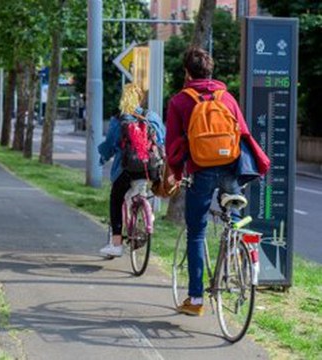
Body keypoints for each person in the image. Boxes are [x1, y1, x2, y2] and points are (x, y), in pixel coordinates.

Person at [165, 47, 269, 316]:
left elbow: (173, 145)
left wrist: (175, 173)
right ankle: (237, 250)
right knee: (232, 213)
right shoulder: (227, 98)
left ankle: (196, 300)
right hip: (230, 168)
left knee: (196, 232)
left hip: (200, 170)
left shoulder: (180, 101)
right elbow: (243, 132)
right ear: (211, 70)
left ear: (187, 72)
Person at [98, 84, 165, 258]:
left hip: (126, 168)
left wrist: (102, 156)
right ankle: (144, 214)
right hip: (150, 168)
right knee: (141, 191)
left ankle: (117, 243)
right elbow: (162, 139)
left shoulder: (119, 119)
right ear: (141, 99)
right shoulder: (152, 117)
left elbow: (109, 146)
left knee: (116, 198)